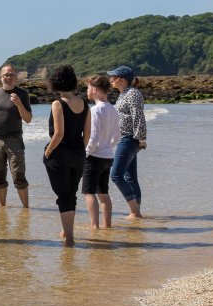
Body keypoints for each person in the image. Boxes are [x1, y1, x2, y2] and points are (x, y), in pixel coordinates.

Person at [43, 65, 90, 247]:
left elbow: (59, 133)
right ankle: (67, 230)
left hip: (60, 154)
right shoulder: (84, 103)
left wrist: (48, 151)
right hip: (78, 153)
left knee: (63, 196)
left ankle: (69, 238)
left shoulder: (58, 103)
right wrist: (79, 150)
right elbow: (87, 135)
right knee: (71, 194)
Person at [0, 64, 33, 208]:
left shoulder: (22, 94)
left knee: (19, 177)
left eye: (11, 75)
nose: (9, 78)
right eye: (6, 75)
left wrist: (19, 104)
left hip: (14, 140)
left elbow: (28, 119)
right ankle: (2, 209)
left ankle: (26, 209)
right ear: (0, 77)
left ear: (16, 77)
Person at [108, 65, 147, 219]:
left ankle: (134, 212)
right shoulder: (124, 94)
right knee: (130, 177)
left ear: (122, 79)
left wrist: (141, 139)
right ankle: (136, 211)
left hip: (130, 138)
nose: (111, 79)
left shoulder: (132, 94)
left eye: (114, 77)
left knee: (116, 175)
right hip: (125, 138)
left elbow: (138, 116)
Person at [83, 75, 120, 229]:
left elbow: (93, 136)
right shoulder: (113, 109)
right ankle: (107, 225)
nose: (86, 91)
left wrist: (86, 153)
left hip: (95, 156)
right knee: (103, 193)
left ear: (94, 90)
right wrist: (108, 147)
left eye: (87, 88)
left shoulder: (95, 110)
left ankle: (94, 226)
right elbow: (118, 135)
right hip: (108, 156)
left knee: (89, 193)